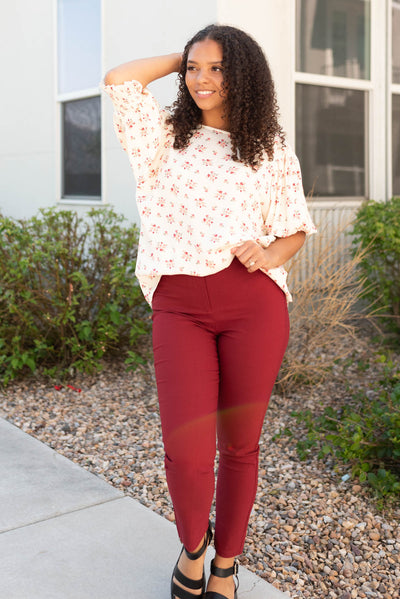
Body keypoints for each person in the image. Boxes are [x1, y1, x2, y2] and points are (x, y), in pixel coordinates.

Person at [102, 24, 316, 599]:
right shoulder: (166, 136)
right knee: (186, 446)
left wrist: (267, 250)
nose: (201, 79)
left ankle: (226, 561)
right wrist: (186, 56)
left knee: (240, 444)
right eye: (195, 69)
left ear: (242, 75)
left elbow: (295, 228)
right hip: (179, 308)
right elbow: (120, 81)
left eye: (218, 69)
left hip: (253, 304)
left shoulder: (269, 148)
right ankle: (192, 546)